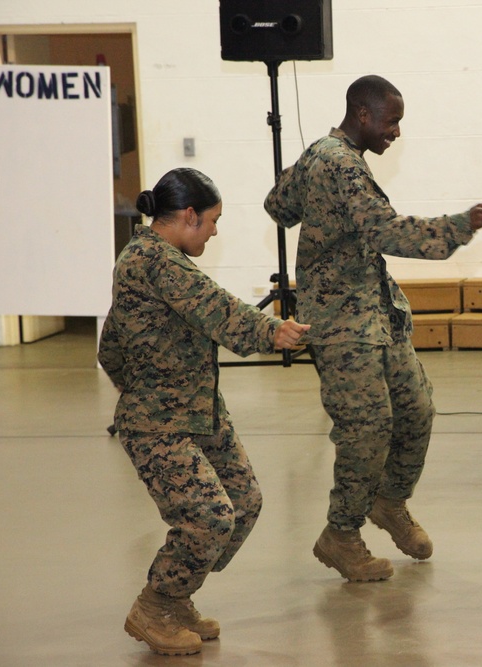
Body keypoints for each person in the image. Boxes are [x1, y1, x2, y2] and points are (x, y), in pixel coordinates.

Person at [264, 74, 482, 583]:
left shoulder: (323, 153)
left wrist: (303, 175)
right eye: (391, 122)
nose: (395, 133)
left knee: (416, 408)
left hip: (377, 313)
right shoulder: (341, 163)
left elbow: (278, 206)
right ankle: (340, 534)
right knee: (367, 427)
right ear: (362, 115)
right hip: (342, 324)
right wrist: (458, 226)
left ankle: (388, 502)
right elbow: (386, 230)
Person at [99, 168, 310, 656]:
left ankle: (178, 597)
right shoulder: (154, 260)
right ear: (189, 215)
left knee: (244, 502)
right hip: (158, 421)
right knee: (209, 516)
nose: (215, 231)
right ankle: (154, 606)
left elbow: (111, 341)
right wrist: (269, 331)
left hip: (197, 410)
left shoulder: (157, 258)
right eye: (212, 221)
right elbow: (213, 306)